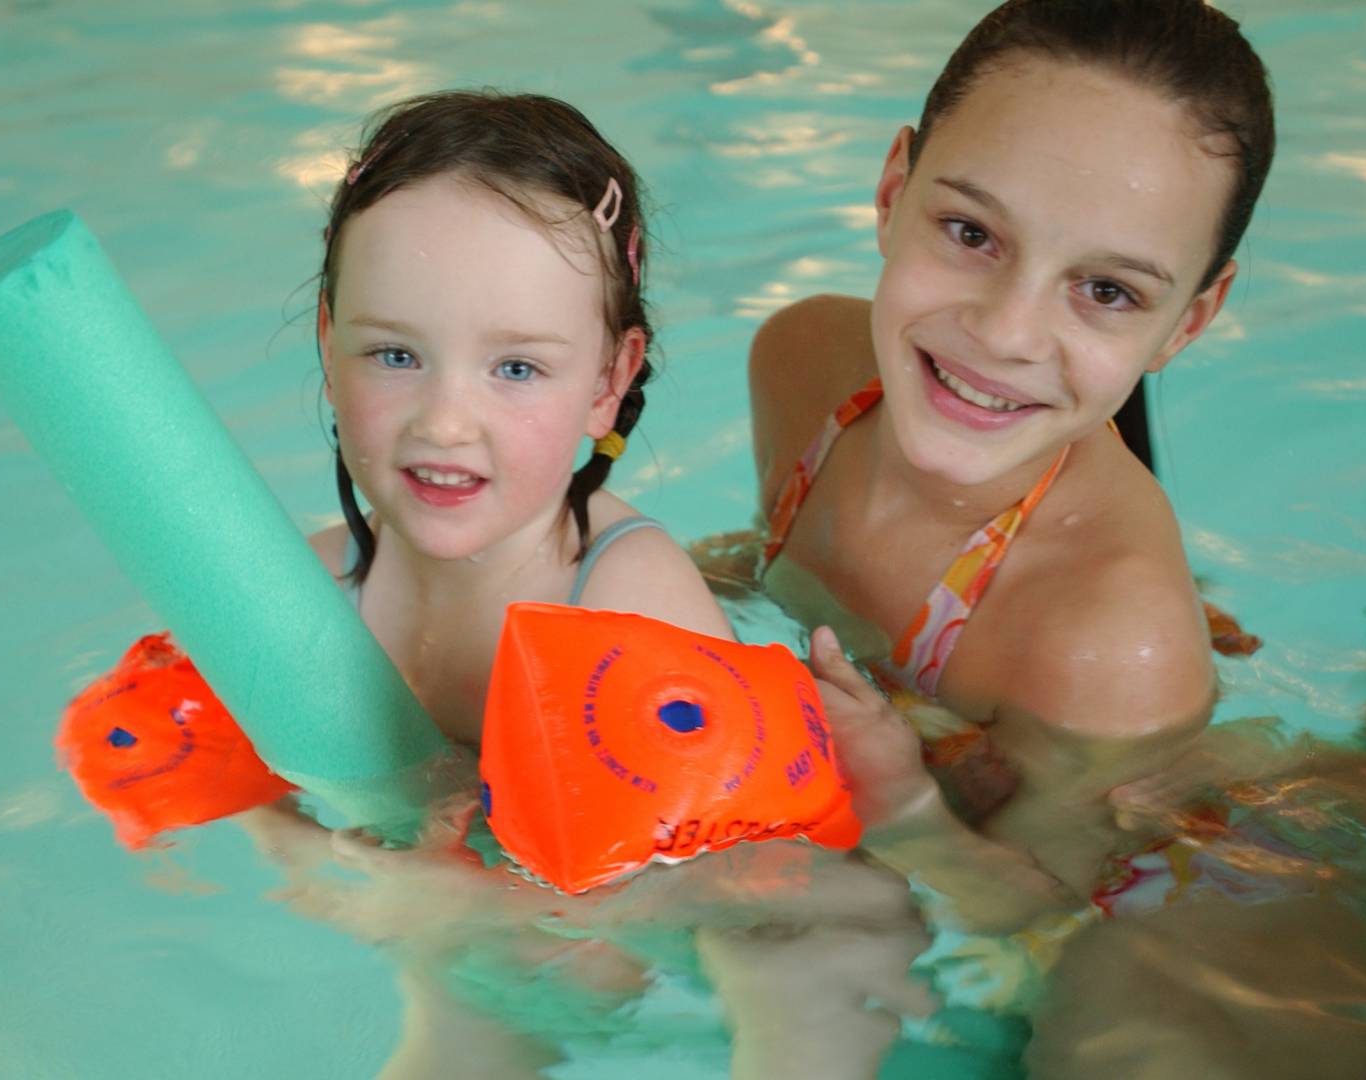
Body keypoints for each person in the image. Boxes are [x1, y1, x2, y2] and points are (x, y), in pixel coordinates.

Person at [729, 1, 1366, 1074]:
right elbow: (775, 574)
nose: (1004, 333)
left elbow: (1033, 921)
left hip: (1185, 892)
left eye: (1105, 290)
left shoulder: (1109, 642)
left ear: (1187, 322)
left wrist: (901, 806)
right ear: (893, 189)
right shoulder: (805, 364)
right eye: (969, 233)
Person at [237, 89, 926, 1079]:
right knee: (452, 1036)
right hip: (502, 914)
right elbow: (253, 767)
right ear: (326, 336)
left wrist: (448, 900)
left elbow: (700, 876)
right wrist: (297, 849)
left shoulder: (622, 595)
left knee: (804, 981)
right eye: (396, 354)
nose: (445, 421)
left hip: (768, 912)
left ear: (608, 379)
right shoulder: (316, 587)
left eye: (516, 368)